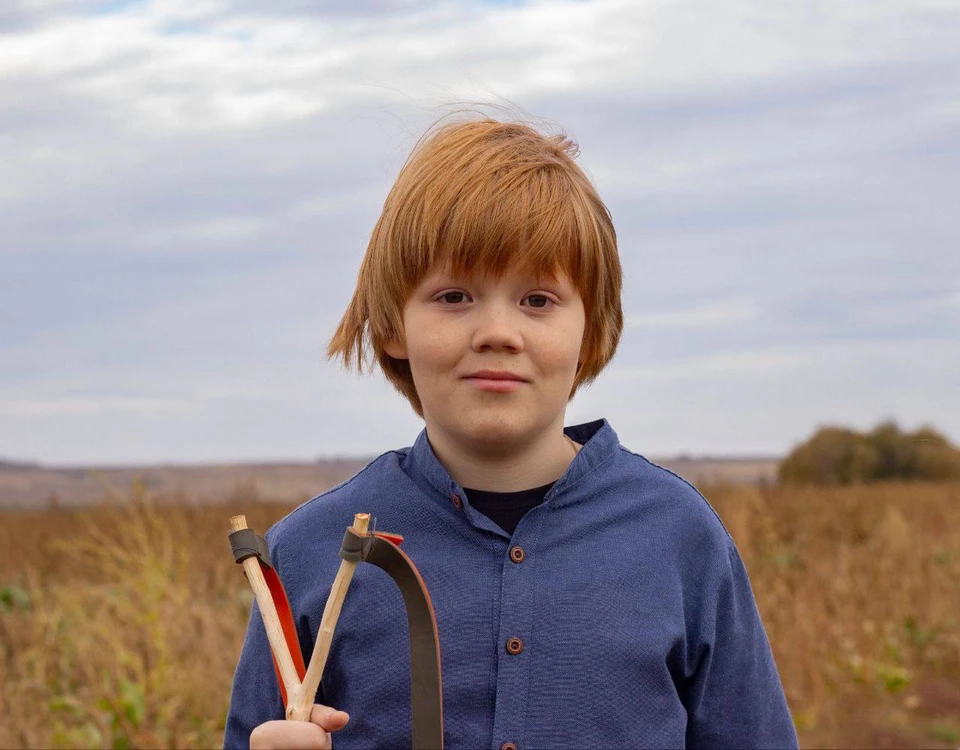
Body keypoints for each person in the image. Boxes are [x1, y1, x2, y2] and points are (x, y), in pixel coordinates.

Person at [224, 117, 798, 750]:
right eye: (454, 296)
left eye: (537, 300)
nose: (498, 331)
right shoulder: (309, 554)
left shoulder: (680, 537)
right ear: (392, 326)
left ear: (592, 331)